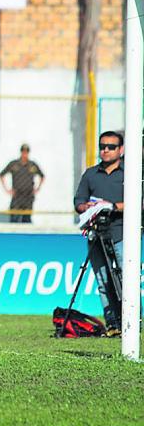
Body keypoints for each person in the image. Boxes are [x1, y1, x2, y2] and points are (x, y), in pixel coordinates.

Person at [74, 130, 125, 337]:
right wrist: (86, 207)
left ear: (120, 150)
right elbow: (78, 202)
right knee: (103, 281)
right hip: (96, 235)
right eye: (102, 146)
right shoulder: (90, 174)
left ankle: (130, 321)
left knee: (125, 279)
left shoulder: (129, 174)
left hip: (121, 234)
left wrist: (112, 206)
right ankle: (112, 324)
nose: (105, 150)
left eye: (111, 147)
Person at [0, 143, 45, 223]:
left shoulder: (32, 165)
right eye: (23, 152)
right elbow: (1, 175)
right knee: (14, 218)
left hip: (28, 196)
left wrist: (37, 189)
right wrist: (7, 190)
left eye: (26, 152)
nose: (25, 154)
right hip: (17, 196)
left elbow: (42, 176)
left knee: (26, 220)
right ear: (21, 152)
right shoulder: (14, 164)